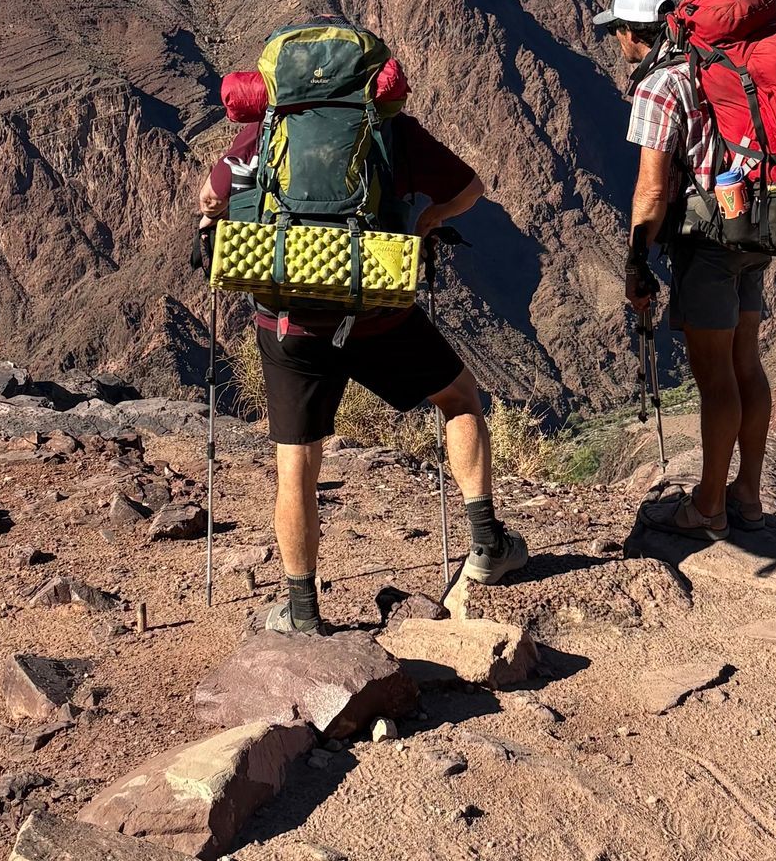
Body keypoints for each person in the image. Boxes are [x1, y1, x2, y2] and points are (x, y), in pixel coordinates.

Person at [197, 66, 528, 634]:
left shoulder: (267, 128)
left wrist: (218, 217)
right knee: (458, 398)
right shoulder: (389, 129)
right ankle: (486, 544)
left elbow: (212, 197)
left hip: (289, 322)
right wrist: (428, 218)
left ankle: (303, 613)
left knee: (296, 459)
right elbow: (469, 189)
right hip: (377, 312)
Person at [596, 0, 772, 540]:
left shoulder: (660, 86)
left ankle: (709, 509)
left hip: (708, 244)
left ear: (631, 32)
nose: (616, 41)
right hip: (754, 226)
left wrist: (634, 259)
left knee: (715, 378)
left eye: (616, 32)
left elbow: (650, 190)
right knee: (747, 363)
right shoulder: (713, 61)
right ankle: (748, 494)